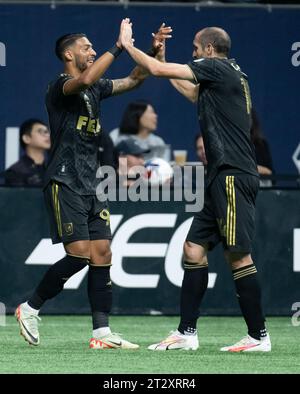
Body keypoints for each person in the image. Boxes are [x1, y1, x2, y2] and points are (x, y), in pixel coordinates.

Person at [15, 20, 172, 350]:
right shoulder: (60, 87)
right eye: (87, 47)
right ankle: (29, 308)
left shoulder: (96, 88)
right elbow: (85, 77)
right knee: (80, 254)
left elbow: (133, 79)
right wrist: (118, 46)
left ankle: (101, 333)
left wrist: (150, 52)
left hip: (92, 182)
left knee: (102, 253)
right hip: (64, 180)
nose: (92, 50)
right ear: (69, 54)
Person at [120, 21, 271, 352]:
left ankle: (259, 337)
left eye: (194, 50)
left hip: (233, 174)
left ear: (210, 50)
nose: (193, 55)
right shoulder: (226, 76)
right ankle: (186, 333)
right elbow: (186, 88)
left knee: (239, 257)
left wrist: (128, 45)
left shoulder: (216, 66)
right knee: (193, 249)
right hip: (219, 176)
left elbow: (157, 70)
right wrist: (163, 53)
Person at [4, 119, 50, 187]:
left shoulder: (54, 169)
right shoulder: (16, 172)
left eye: (48, 132)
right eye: (41, 132)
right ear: (26, 138)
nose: (48, 135)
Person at [250, 109, 274, 186]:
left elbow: (270, 172)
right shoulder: (234, 144)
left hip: (261, 187)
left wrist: (254, 168)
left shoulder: (261, 144)